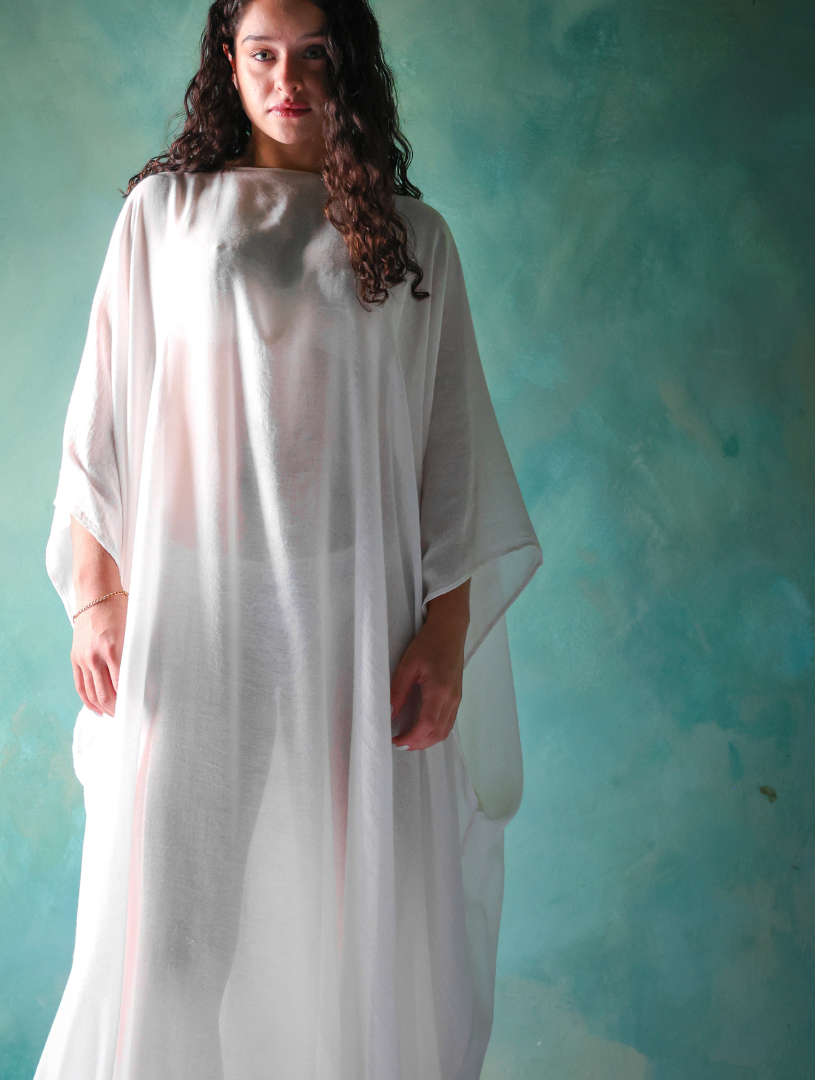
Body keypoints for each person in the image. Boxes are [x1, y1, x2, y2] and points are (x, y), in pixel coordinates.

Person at [34, 0, 542, 1077]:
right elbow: (102, 415)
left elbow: (448, 449)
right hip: (199, 606)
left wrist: (444, 634)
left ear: (347, 64)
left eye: (313, 55)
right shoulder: (165, 215)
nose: (287, 80)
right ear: (229, 62)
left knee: (357, 908)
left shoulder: (414, 240)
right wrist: (95, 594)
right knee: (174, 923)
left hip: (354, 609)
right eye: (262, 54)